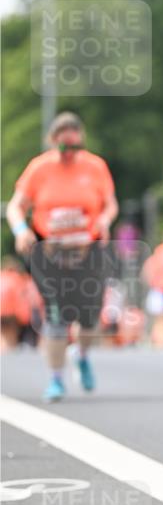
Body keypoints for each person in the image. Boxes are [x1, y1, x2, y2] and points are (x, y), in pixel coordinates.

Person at [6, 112, 118, 400]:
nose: (69, 153)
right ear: (53, 141)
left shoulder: (95, 167)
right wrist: (20, 230)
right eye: (63, 147)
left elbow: (110, 204)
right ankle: (56, 378)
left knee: (89, 318)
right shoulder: (39, 169)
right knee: (56, 316)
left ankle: (80, 354)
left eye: (74, 147)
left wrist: (105, 220)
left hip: (88, 249)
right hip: (52, 252)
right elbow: (15, 206)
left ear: (80, 140)